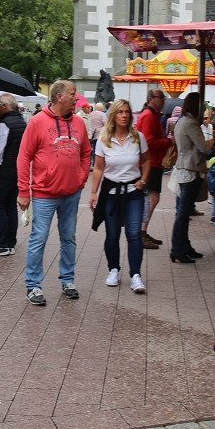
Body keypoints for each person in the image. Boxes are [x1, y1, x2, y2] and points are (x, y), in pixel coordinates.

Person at [18, 79, 91, 305]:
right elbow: (24, 157)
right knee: (38, 238)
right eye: (72, 94)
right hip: (43, 194)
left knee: (68, 238)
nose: (76, 98)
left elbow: (86, 153)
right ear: (59, 96)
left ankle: (67, 279)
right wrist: (24, 190)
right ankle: (33, 285)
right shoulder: (37, 122)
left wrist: (81, 178)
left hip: (71, 193)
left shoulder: (79, 123)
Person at [90, 99, 150, 293]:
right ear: (113, 116)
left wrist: (144, 180)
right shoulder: (104, 139)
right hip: (111, 192)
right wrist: (93, 192)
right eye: (120, 112)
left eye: (127, 112)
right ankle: (113, 269)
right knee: (112, 234)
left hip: (133, 191)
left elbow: (147, 160)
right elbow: (98, 168)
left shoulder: (137, 137)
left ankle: (135, 275)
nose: (124, 115)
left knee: (134, 234)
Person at [0, 95, 26, 257]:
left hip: (3, 172)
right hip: (17, 171)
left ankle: (2, 244)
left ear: (4, 107)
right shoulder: (22, 123)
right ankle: (10, 242)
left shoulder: (4, 125)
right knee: (10, 207)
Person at [169, 92, 207, 263]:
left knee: (184, 211)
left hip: (182, 168)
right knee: (184, 213)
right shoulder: (191, 123)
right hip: (190, 170)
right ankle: (178, 248)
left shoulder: (181, 121)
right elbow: (203, 147)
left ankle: (184, 246)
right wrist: (212, 142)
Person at [135, 89, 170, 248]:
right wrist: (168, 142)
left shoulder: (151, 115)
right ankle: (141, 232)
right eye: (160, 97)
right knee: (152, 197)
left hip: (152, 161)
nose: (163, 100)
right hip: (151, 161)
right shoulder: (149, 116)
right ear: (151, 99)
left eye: (163, 97)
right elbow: (149, 141)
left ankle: (142, 231)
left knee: (151, 197)